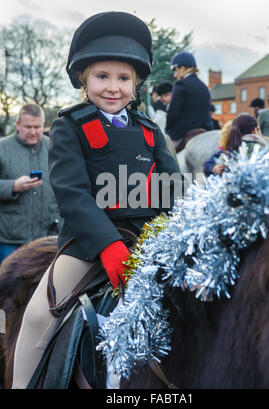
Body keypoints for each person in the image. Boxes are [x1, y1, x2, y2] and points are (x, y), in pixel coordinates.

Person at [12, 11, 180, 389]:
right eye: (102, 76)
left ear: (135, 84)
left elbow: (172, 190)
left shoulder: (152, 132)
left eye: (123, 78)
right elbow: (72, 193)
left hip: (149, 243)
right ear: (83, 79)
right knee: (39, 315)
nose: (113, 87)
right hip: (87, 246)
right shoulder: (69, 126)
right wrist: (108, 245)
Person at [0, 103, 61, 263]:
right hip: (11, 239)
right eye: (28, 127)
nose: (33, 132)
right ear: (17, 125)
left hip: (49, 237)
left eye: (37, 127)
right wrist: (12, 186)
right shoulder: (2, 149)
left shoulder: (56, 148)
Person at [204, 111, 269, 177]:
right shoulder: (266, 155)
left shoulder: (226, 156)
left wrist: (212, 168)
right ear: (255, 130)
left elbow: (207, 168)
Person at [166, 51, 213, 152]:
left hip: (183, 132)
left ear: (182, 68)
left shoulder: (181, 85)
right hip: (206, 130)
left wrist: (168, 130)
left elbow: (173, 113)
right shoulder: (204, 86)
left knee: (162, 155)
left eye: (175, 69)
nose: (174, 75)